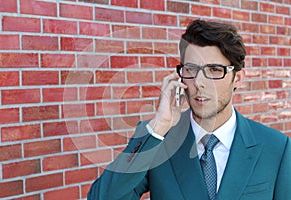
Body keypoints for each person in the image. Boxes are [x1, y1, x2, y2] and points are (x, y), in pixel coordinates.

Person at [87, 19, 291, 200]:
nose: (199, 83)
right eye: (191, 69)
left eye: (214, 70)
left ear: (237, 78)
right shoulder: (159, 140)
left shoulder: (276, 148)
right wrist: (159, 126)